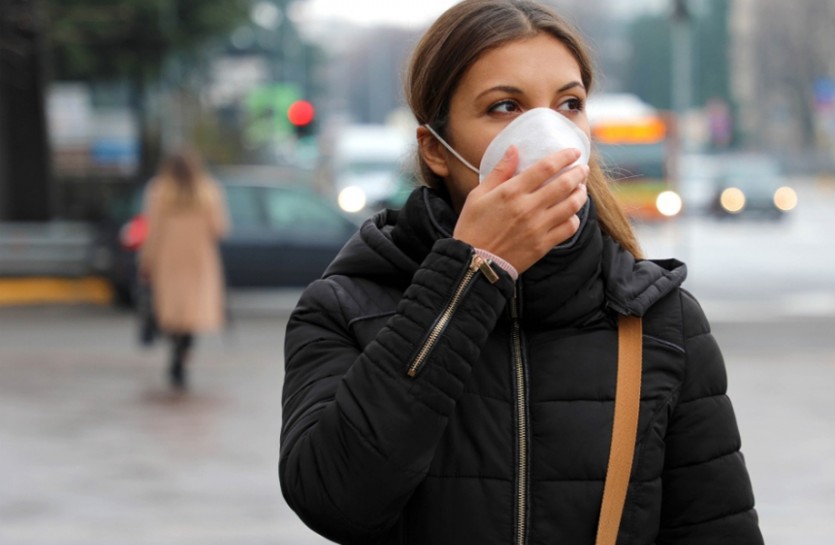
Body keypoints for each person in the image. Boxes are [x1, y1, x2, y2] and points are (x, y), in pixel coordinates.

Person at [280, 1, 763, 543]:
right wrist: (470, 275)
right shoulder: (345, 308)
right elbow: (336, 500)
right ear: (435, 149)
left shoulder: (660, 321)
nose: (548, 135)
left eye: (569, 104)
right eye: (506, 106)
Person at [139, 150, 229, 390]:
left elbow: (152, 230)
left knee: (172, 310)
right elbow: (220, 228)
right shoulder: (209, 191)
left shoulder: (158, 190)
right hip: (199, 259)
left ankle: (175, 350)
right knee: (191, 313)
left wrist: (146, 260)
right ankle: (183, 356)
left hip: (168, 258)